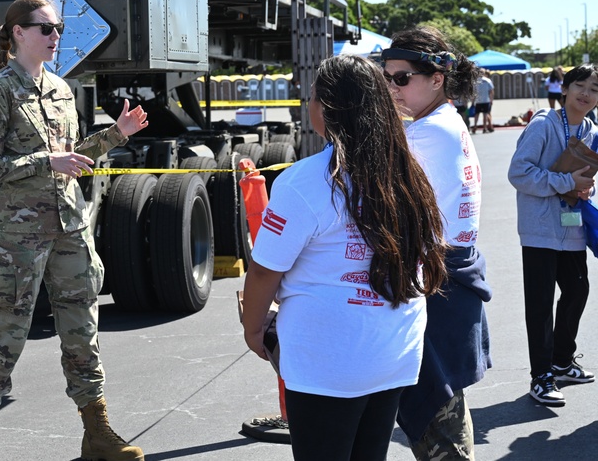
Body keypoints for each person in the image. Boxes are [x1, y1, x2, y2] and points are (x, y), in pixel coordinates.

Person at [0, 0, 149, 461]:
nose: (55, 36)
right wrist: (46, 160)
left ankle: (97, 433)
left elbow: (74, 155)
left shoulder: (61, 89)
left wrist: (117, 134)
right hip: (17, 237)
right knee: (4, 332)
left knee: (81, 327)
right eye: (45, 28)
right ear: (18, 33)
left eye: (59, 28)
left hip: (69, 226)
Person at [241, 55, 447, 461]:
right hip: (394, 354)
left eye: (313, 97)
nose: (309, 106)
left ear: (329, 110)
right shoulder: (411, 172)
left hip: (328, 362)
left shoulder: (305, 180)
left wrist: (252, 330)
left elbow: (265, 270)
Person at [383, 27, 492, 460]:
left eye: (402, 78)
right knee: (446, 419)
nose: (392, 88)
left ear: (437, 78)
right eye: (386, 77)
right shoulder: (442, 122)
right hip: (445, 277)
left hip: (434, 284)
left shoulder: (426, 134)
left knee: (439, 431)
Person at [508, 63, 598, 407]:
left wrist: (582, 188)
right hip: (539, 229)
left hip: (571, 224)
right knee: (541, 303)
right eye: (580, 86)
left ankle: (562, 361)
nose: (586, 94)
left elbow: (582, 175)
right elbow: (519, 172)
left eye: (594, 89)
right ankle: (541, 375)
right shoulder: (544, 124)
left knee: (577, 290)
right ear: (564, 88)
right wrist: (565, 183)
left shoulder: (591, 129)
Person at [471, 69, 494, 133]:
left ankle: (475, 126)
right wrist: (491, 100)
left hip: (478, 101)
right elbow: (491, 91)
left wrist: (473, 102)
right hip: (486, 100)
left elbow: (474, 92)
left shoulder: (475, 81)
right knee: (485, 114)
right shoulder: (488, 80)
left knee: (477, 114)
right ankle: (484, 128)